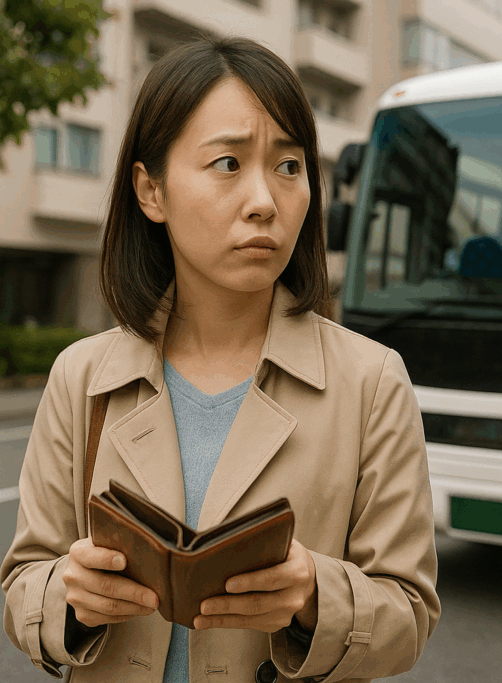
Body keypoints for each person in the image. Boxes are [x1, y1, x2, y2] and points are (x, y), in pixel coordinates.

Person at [1, 36, 440, 682]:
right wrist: (72, 597)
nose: (265, 199)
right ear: (151, 191)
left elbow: (408, 612)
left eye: (290, 166)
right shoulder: (82, 375)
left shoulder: (372, 381)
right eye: (229, 163)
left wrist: (313, 594)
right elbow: (22, 582)